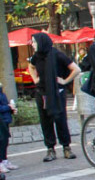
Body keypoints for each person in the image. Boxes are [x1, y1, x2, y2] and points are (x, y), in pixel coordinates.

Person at [28, 32, 79, 162]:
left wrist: (65, 80)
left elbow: (76, 69)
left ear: (41, 42)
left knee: (60, 119)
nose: (32, 44)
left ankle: (66, 147)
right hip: (42, 92)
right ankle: (50, 149)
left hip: (57, 93)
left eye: (34, 42)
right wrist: (35, 79)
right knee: (45, 121)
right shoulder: (37, 56)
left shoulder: (57, 54)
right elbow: (31, 66)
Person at [0, 81, 16, 175]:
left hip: (4, 119)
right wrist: (8, 107)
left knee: (4, 141)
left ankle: (4, 160)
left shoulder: (1, 89)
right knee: (1, 141)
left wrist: (11, 109)